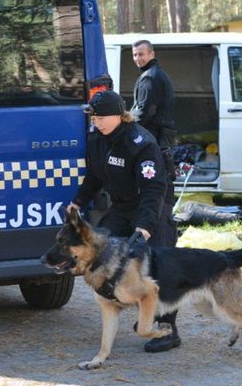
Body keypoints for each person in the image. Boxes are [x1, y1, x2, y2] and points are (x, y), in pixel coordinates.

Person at [68, 90, 181, 352]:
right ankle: (122, 304)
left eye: (100, 118)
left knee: (160, 267)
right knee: (101, 248)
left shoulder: (141, 142)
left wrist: (146, 225)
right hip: (123, 206)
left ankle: (167, 330)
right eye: (93, 118)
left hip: (153, 206)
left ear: (119, 116)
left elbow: (154, 188)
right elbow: (95, 176)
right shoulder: (97, 138)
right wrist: (78, 201)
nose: (96, 122)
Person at [131, 40, 181, 353]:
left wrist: (127, 121)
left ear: (152, 55)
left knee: (161, 248)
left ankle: (167, 328)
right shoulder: (153, 75)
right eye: (134, 54)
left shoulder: (150, 79)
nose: (138, 58)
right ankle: (151, 321)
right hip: (161, 151)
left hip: (160, 152)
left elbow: (144, 112)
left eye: (142, 53)